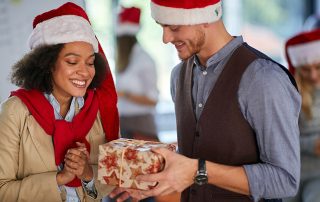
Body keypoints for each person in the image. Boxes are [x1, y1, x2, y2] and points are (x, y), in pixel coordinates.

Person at [109, 0, 301, 201]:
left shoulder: (263, 78)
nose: (165, 38)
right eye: (161, 26)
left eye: (174, 27)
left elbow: (285, 181)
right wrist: (154, 175)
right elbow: (196, 152)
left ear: (205, 18)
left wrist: (198, 170)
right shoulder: (178, 76)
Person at [0, 2, 119, 202]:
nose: (85, 71)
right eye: (72, 62)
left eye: (90, 62)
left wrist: (88, 175)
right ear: (47, 64)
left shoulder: (98, 110)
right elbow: (2, 190)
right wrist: (59, 179)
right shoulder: (15, 111)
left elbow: (108, 182)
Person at [284, 29, 320, 202]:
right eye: (306, 69)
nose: (313, 76)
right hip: (290, 172)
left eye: (318, 67)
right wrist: (311, 145)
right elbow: (279, 138)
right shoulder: (288, 94)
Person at [115, 7, 159, 142]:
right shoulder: (123, 61)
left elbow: (152, 100)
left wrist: (124, 94)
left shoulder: (144, 60)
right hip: (123, 122)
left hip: (141, 124)